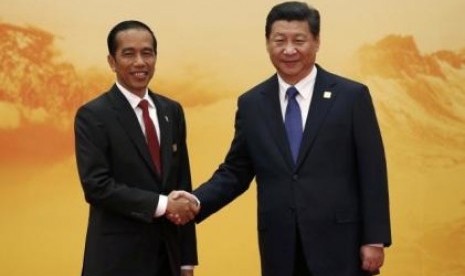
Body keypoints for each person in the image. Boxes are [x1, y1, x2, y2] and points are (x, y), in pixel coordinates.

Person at [172, 2, 391, 276]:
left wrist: (374, 238)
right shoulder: (252, 103)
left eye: (299, 40)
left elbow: (372, 171)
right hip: (281, 246)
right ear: (267, 43)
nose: (289, 50)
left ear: (317, 41)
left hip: (341, 245)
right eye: (279, 41)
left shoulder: (351, 96)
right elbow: (236, 171)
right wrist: (196, 201)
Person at [74, 20, 199, 276]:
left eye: (147, 53)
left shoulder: (171, 111)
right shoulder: (93, 115)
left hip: (168, 259)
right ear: (112, 61)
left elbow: (182, 185)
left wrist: (186, 261)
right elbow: (97, 186)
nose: (140, 62)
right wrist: (163, 205)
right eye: (128, 54)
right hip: (116, 261)